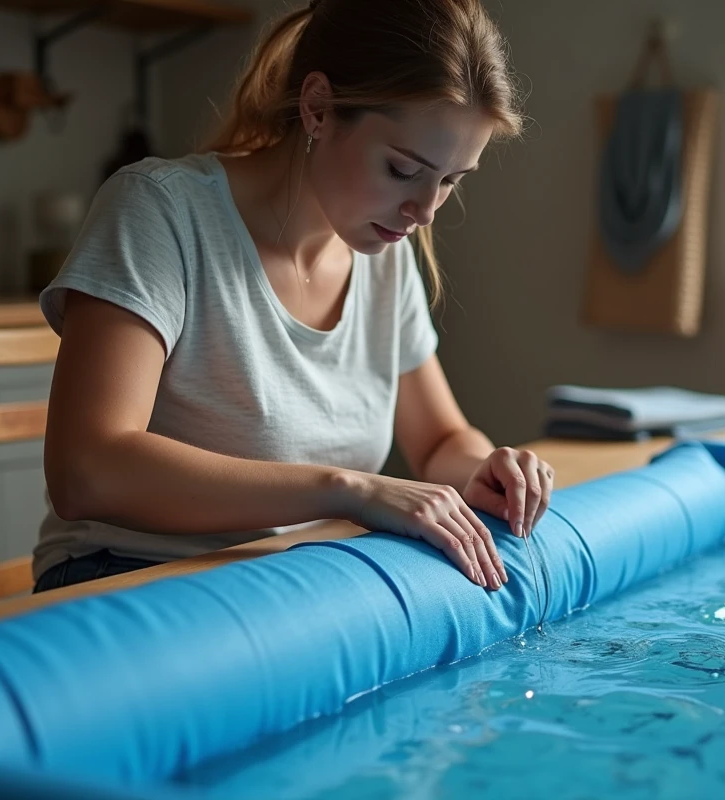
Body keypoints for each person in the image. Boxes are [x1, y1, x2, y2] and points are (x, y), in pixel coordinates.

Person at [32, 0, 554, 595]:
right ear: (319, 108)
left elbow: (438, 441)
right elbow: (86, 471)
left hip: (289, 582)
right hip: (129, 580)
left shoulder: (383, 251)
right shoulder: (159, 211)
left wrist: (487, 469)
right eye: (403, 170)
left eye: (450, 181)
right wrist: (350, 488)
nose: (425, 210)